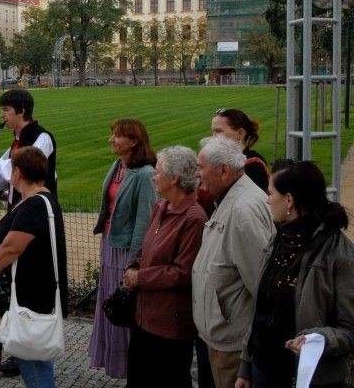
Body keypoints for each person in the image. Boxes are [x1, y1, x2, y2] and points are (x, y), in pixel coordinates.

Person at [236, 161, 354, 388]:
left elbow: (349, 330)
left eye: (271, 193)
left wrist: (320, 339)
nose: (267, 199)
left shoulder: (339, 255)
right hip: (264, 372)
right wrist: (246, 365)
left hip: (310, 379)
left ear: (289, 200)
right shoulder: (278, 241)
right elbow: (260, 310)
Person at [0, 89, 59, 377]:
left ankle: (31, 349)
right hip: (17, 214)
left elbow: (28, 172)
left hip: (35, 221)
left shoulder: (41, 138)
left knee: (28, 284)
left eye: (6, 111)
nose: (2, 116)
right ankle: (19, 347)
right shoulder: (16, 141)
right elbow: (1, 180)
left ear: (21, 110)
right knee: (13, 287)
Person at [0, 146, 68, 388]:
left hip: (32, 292)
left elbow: (11, 247)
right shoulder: (31, 200)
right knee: (31, 354)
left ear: (18, 172)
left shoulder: (35, 204)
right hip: (29, 290)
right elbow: (5, 233)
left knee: (31, 356)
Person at [192, 136, 275, 388]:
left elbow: (261, 284)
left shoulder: (242, 210)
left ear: (224, 170)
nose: (197, 174)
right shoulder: (230, 197)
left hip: (233, 344)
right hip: (223, 336)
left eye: (201, 167)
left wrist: (249, 357)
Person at [123, 146, 207, 387]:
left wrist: (141, 278)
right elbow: (145, 247)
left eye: (158, 172)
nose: (153, 176)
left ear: (174, 179)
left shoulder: (194, 218)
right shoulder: (161, 207)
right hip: (143, 317)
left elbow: (183, 273)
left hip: (170, 325)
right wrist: (133, 266)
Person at [88, 118, 157, 379]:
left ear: (134, 141)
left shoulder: (145, 174)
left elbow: (145, 220)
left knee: (124, 307)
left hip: (126, 250)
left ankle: (130, 366)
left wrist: (134, 260)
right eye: (112, 134)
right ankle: (114, 362)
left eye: (117, 136)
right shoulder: (118, 165)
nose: (111, 139)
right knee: (110, 301)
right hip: (109, 243)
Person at [211, 108, 269, 192]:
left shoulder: (253, 166)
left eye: (218, 131)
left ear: (240, 133)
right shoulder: (220, 160)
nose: (213, 137)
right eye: (213, 131)